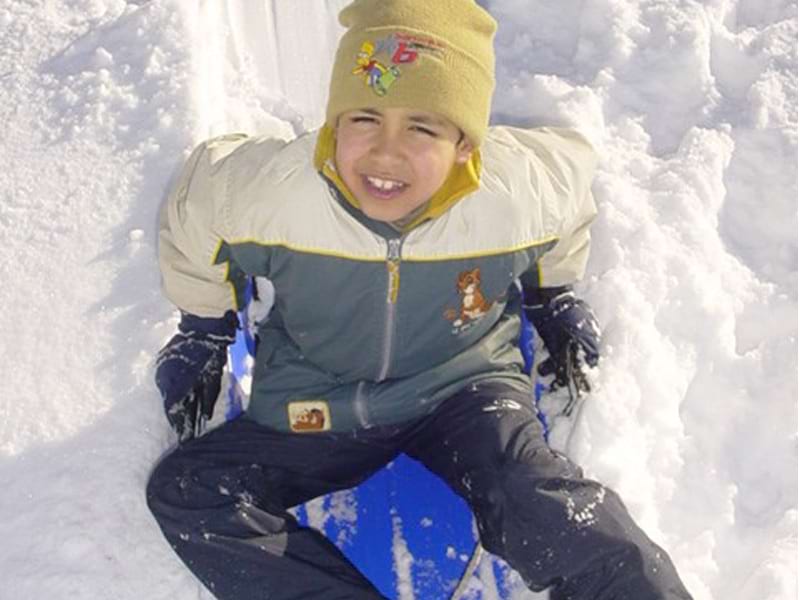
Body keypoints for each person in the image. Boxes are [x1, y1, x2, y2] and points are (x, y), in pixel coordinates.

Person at [146, 1, 694, 598]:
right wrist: (205, 325)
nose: (385, 152)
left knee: (543, 502)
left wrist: (552, 294)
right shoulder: (276, 192)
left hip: (463, 390)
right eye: (363, 119)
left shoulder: (511, 194)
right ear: (333, 122)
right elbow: (194, 208)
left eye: (422, 127)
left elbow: (571, 195)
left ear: (465, 144)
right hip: (318, 395)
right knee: (191, 491)